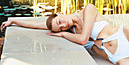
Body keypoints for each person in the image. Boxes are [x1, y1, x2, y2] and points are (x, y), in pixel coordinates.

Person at [1, 4, 129, 65]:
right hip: (115, 57)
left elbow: (84, 39)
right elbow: (36, 24)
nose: (63, 26)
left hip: (123, 35)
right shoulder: (71, 30)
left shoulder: (88, 9)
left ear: (59, 13)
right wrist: (13, 21)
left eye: (60, 21)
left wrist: (63, 35)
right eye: (60, 28)